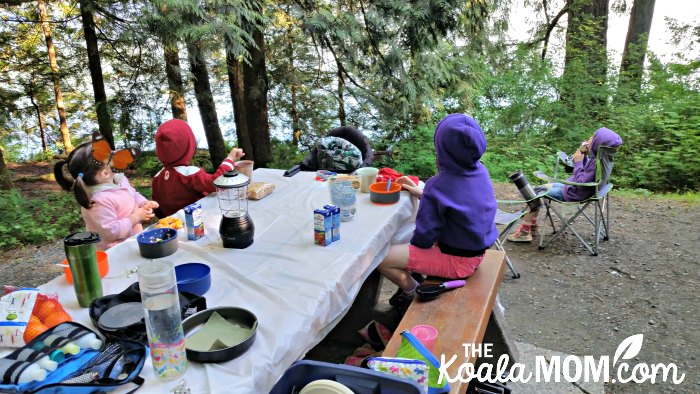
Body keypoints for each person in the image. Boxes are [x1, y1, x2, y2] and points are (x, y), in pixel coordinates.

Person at [379, 114, 499, 310]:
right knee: (401, 244)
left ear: (441, 148)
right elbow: (458, 200)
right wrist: (420, 192)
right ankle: (414, 275)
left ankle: (412, 290)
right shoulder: (480, 170)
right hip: (476, 252)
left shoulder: (438, 186)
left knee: (380, 257)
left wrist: (412, 250)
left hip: (457, 263)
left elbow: (425, 238)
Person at [507, 127, 623, 242]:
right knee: (541, 188)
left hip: (575, 193)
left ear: (598, 143)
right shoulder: (601, 159)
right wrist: (584, 157)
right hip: (578, 189)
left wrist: (578, 163)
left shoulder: (595, 163)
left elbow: (581, 182)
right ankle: (532, 225)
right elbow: (587, 175)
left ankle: (524, 232)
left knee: (534, 192)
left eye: (592, 137)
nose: (588, 139)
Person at [54, 140, 159, 251]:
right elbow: (112, 232)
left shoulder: (119, 180)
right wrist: (137, 216)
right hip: (114, 252)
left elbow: (133, 194)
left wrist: (144, 203)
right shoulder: (98, 201)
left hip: (133, 241)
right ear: (104, 173)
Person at [151, 119, 245, 218]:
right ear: (188, 146)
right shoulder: (189, 173)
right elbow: (217, 182)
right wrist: (230, 159)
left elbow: (157, 208)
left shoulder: (157, 179)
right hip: (198, 225)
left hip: (173, 228)